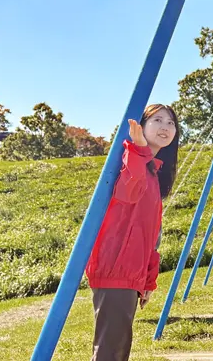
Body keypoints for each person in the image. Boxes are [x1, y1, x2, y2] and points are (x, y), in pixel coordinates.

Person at [85, 104, 179, 361]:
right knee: (110, 352)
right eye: (158, 120)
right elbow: (128, 191)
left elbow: (150, 235)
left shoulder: (153, 173)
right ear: (142, 125)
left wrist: (148, 280)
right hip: (116, 266)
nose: (165, 127)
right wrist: (137, 149)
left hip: (129, 272)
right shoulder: (133, 161)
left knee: (117, 348)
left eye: (171, 123)